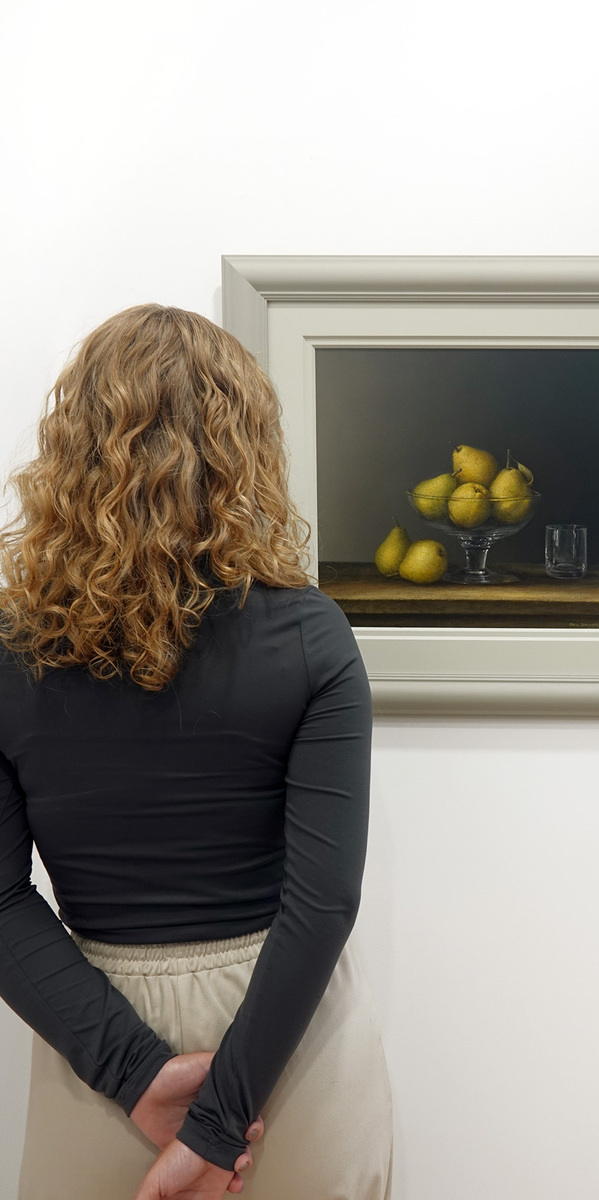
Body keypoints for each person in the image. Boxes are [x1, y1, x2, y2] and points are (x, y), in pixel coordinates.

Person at [0, 305, 393, 1199]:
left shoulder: (7, 649)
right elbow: (323, 899)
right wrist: (220, 1119)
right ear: (245, 448)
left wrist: (136, 1074)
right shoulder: (312, 636)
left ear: (72, 450)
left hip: (96, 1049)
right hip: (288, 1050)